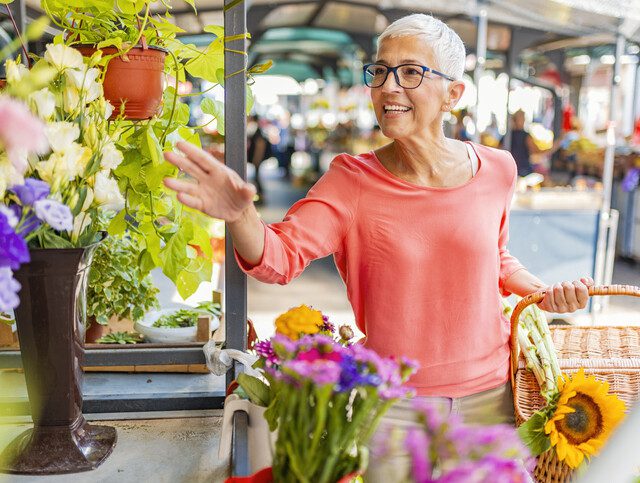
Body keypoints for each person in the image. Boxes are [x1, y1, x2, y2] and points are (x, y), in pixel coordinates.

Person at [163, 14, 591, 429]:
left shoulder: (499, 168)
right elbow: (279, 257)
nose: (388, 87)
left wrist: (541, 293)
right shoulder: (352, 180)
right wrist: (242, 215)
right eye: (381, 71)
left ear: (453, 93)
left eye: (410, 72)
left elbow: (495, 257)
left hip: (493, 396)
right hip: (395, 409)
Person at [505, 109, 562, 176]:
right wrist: (555, 146)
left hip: (510, 170)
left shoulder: (507, 136)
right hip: (523, 170)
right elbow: (537, 152)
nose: (523, 120)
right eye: (522, 118)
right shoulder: (525, 136)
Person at [246, 115, 272, 202]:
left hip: (257, 159)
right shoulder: (256, 130)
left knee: (257, 177)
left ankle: (260, 196)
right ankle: (260, 196)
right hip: (257, 159)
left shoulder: (257, 131)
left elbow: (260, 147)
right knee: (256, 177)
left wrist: (256, 159)